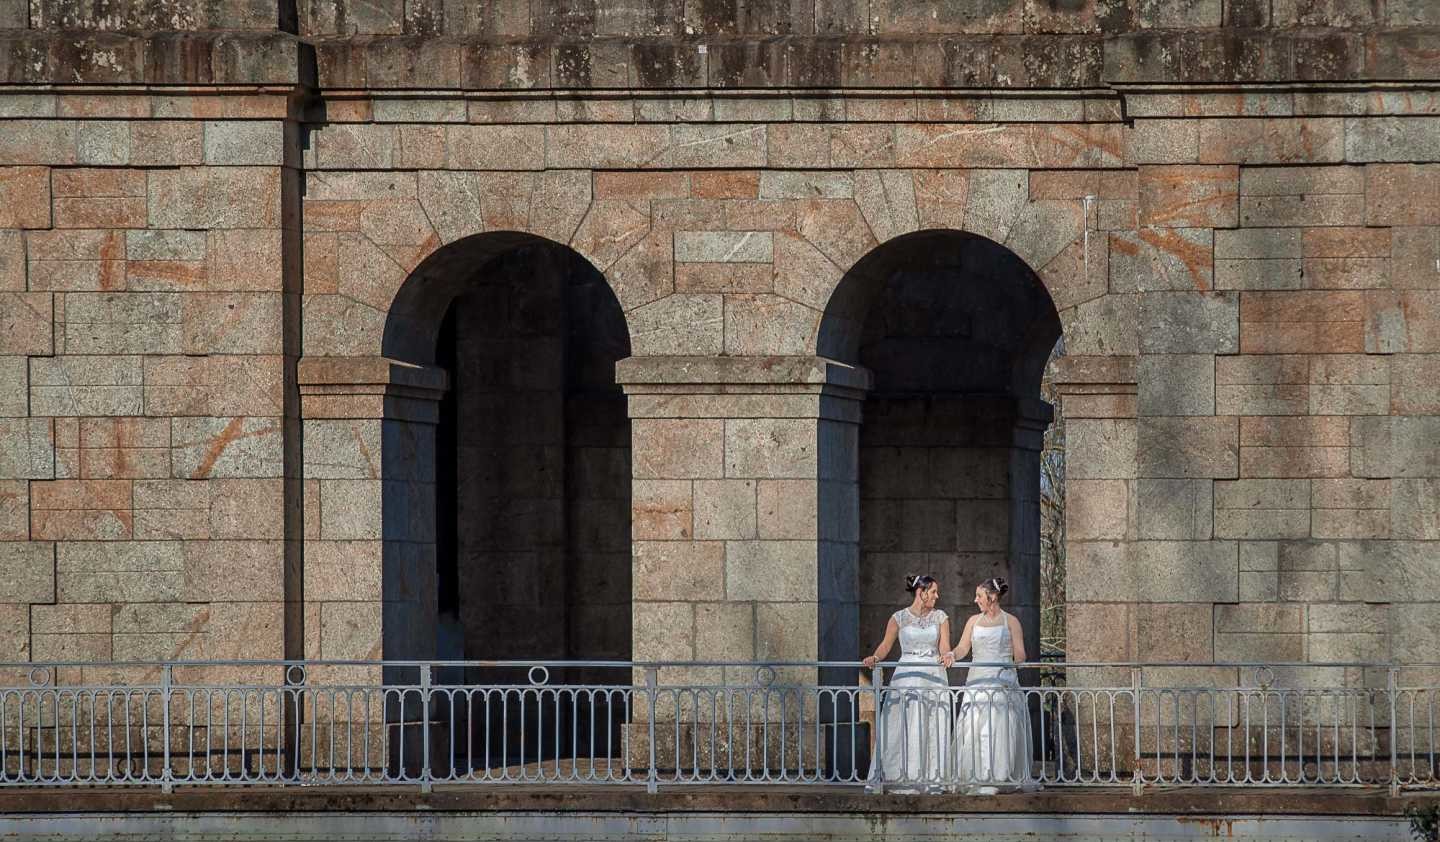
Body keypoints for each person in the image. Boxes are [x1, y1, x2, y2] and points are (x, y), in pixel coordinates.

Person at [861, 574, 955, 793]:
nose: (937, 596)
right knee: (902, 725)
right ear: (921, 593)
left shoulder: (941, 617)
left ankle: (932, 779)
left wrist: (947, 655)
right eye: (933, 592)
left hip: (933, 675)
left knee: (931, 724)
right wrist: (875, 657)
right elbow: (886, 645)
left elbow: (944, 645)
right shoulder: (899, 617)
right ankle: (900, 776)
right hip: (906, 675)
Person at [948, 577, 1038, 794]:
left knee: (1000, 725)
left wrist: (1013, 661)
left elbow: (1020, 654)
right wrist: (952, 654)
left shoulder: (1011, 622)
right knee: (974, 727)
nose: (975, 600)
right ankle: (976, 776)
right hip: (978, 680)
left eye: (979, 596)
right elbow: (962, 648)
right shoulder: (973, 621)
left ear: (993, 597)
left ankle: (998, 776)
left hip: (1001, 680)